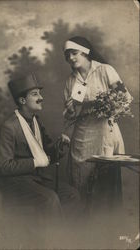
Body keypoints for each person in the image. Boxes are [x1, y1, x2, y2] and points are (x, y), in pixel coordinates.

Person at [0, 72, 81, 232]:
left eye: (39, 93)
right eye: (35, 94)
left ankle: (68, 238)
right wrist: (35, 162)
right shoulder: (8, 127)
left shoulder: (35, 121)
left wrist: (59, 147)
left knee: (72, 194)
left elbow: (47, 154)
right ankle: (54, 242)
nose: (41, 97)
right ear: (22, 101)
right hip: (14, 183)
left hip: (36, 178)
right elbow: (4, 167)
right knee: (50, 199)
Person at [62, 36, 132, 212]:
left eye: (74, 53)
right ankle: (83, 220)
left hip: (104, 131)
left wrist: (109, 108)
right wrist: (70, 110)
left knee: (104, 176)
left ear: (85, 52)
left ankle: (104, 221)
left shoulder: (105, 70)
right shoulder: (71, 81)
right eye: (68, 55)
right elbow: (71, 116)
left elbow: (125, 98)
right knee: (81, 176)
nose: (71, 58)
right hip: (82, 134)